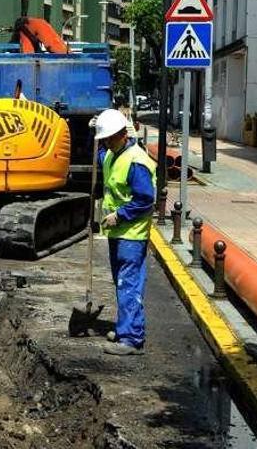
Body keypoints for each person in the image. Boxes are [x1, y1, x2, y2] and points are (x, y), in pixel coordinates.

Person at [94, 108, 156, 356]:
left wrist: (119, 215)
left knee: (128, 284)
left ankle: (131, 338)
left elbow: (145, 199)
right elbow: (100, 157)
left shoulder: (136, 161)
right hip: (117, 233)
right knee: (122, 283)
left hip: (131, 233)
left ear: (122, 134)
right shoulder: (111, 154)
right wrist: (94, 135)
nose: (106, 142)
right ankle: (124, 329)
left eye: (109, 137)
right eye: (104, 139)